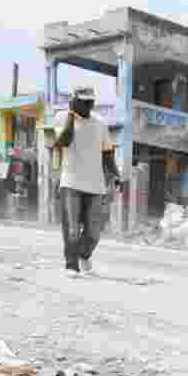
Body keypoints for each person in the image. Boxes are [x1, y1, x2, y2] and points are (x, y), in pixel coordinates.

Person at [52, 85, 121, 275]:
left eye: (90, 102)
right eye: (83, 101)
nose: (88, 105)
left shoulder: (100, 122)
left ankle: (84, 255)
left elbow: (107, 153)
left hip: (95, 185)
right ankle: (71, 264)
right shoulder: (61, 118)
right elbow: (64, 141)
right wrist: (71, 115)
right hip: (71, 182)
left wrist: (116, 174)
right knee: (72, 230)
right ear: (74, 101)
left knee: (94, 233)